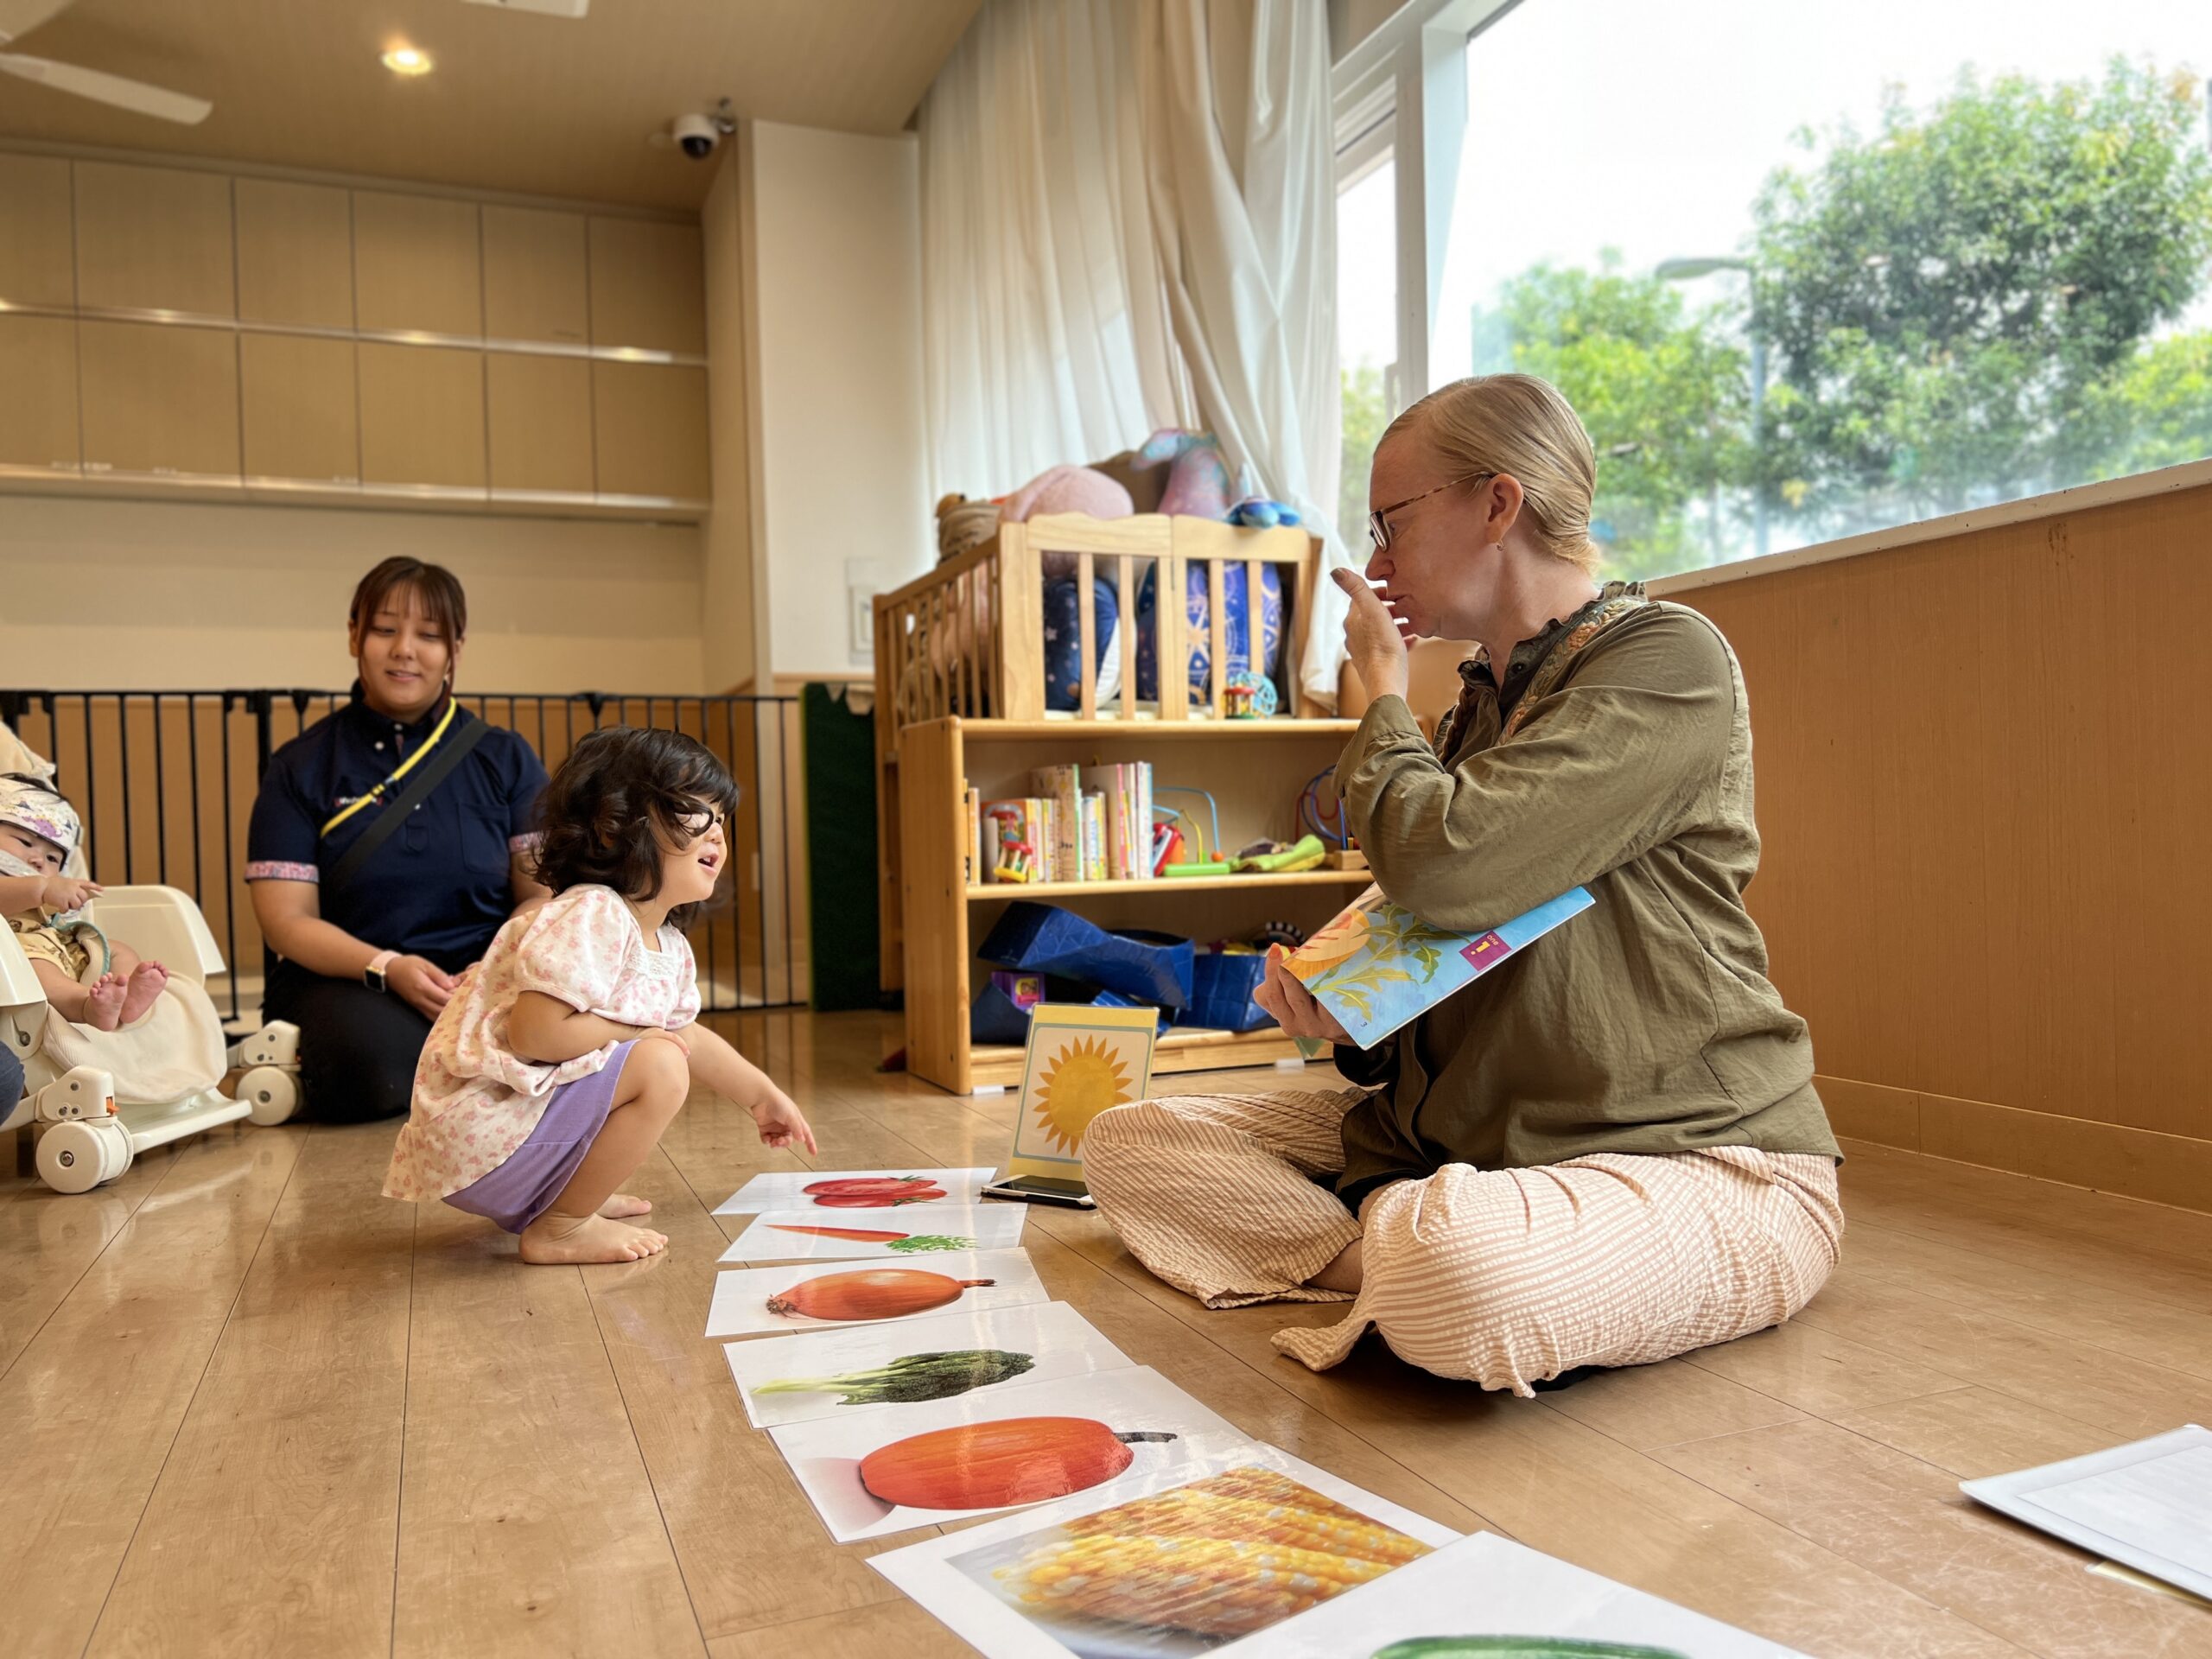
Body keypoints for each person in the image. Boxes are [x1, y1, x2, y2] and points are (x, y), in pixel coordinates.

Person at [1083, 373, 1843, 1395]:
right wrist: (1353, 1014)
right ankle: (1397, 1270)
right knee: (1132, 1138)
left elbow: (1446, 866)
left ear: (1497, 503)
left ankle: (1414, 1268)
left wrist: (1380, 695)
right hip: (1472, 1148)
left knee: (1458, 1267)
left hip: (1688, 1155)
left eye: (1391, 523)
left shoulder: (1668, 659)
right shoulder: (1478, 704)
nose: (1376, 561)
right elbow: (1449, 944)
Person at [383, 727, 816, 1265]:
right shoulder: (591, 913)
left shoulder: (668, 944)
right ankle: (560, 1227)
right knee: (658, 1065)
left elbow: (686, 1034)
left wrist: (761, 1095)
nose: (717, 834)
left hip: (518, 1134)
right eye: (692, 811)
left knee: (661, 1052)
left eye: (721, 817)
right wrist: (634, 1032)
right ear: (614, 828)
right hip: (484, 1130)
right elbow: (535, 1034)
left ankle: (565, 1198)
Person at [246, 558, 550, 1122]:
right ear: (355, 636)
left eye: (429, 635)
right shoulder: (300, 765)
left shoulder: (507, 757)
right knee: (364, 1066)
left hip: (484, 974)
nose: (404, 649)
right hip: (354, 982)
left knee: (568, 1025)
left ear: (455, 648)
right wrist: (388, 966)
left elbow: (541, 894)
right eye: (385, 629)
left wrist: (490, 966)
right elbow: (286, 921)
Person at [0, 776, 168, 1032]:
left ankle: (127, 996)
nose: (38, 860)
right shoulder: (28, 885)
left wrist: (72, 899)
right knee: (40, 972)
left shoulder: (48, 886)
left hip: (60, 947)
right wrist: (43, 888)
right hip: (18, 956)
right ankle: (87, 1005)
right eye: (25, 842)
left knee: (117, 948)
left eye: (52, 857)